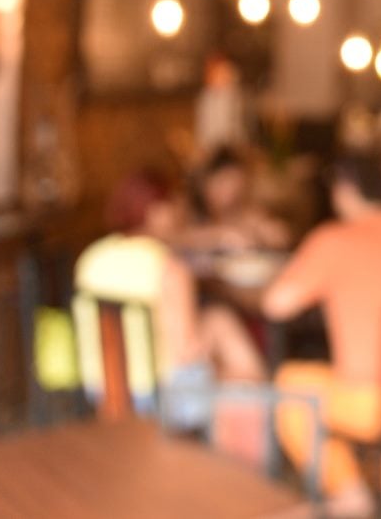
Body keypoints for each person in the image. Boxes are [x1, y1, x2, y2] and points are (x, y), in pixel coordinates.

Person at [262, 157, 381, 518]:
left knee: (290, 384)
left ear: (344, 192)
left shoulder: (333, 240)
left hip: (372, 407)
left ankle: (348, 493)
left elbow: (274, 305)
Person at [74, 180, 267, 430]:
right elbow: (186, 353)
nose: (179, 211)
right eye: (172, 203)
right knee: (248, 375)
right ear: (153, 210)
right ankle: (248, 459)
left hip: (100, 391)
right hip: (160, 400)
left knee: (217, 321)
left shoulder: (93, 257)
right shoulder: (169, 269)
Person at [149, 147, 291, 253]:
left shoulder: (243, 210)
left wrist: (271, 232)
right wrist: (217, 237)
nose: (230, 194)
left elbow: (274, 231)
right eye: (222, 184)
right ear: (204, 182)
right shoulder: (178, 208)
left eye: (236, 186)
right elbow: (159, 239)